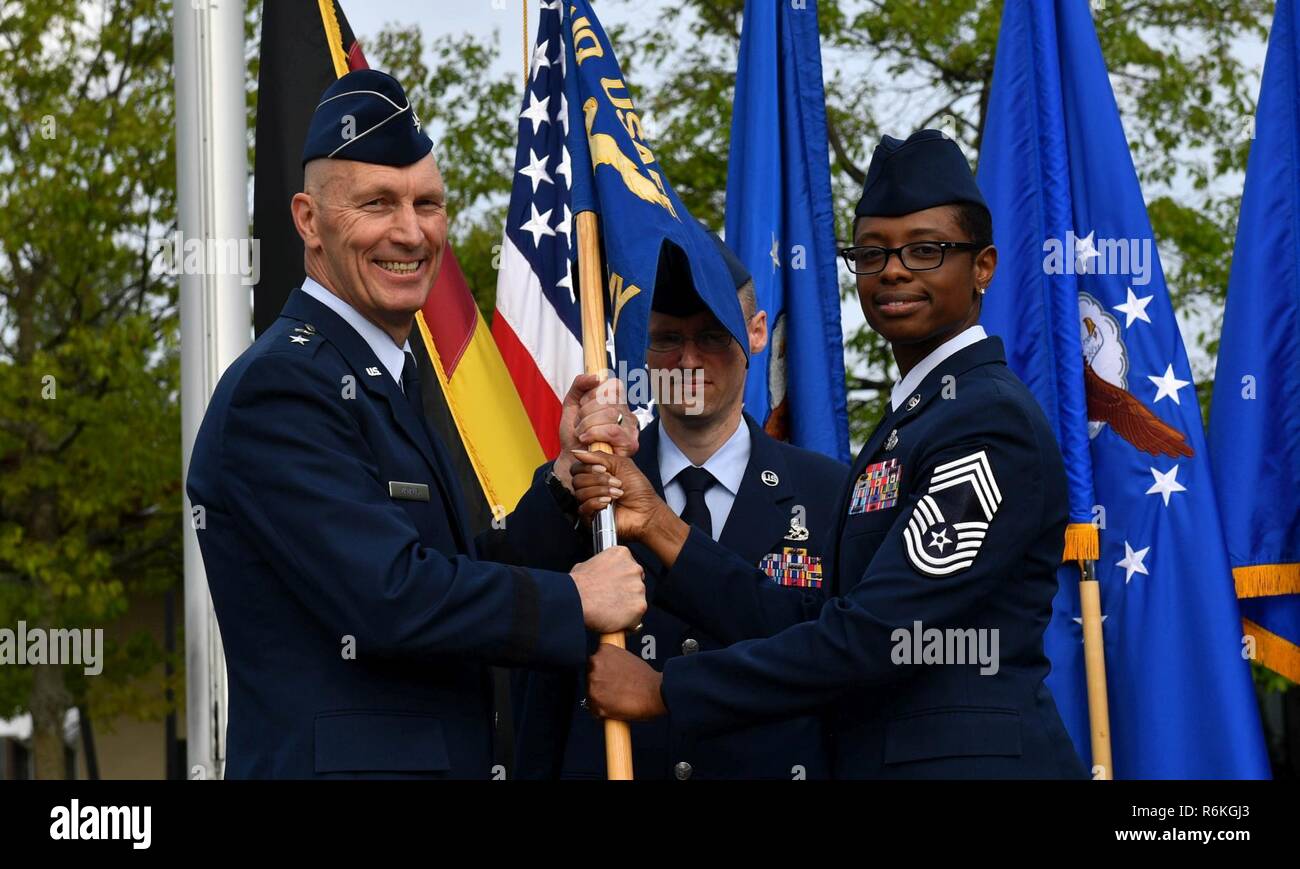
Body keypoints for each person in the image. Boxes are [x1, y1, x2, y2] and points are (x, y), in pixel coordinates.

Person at [575, 130, 1087, 779]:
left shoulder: (987, 423)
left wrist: (665, 689)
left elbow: (876, 637)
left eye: (925, 250)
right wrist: (658, 524)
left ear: (982, 265)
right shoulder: (920, 416)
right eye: (872, 253)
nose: (894, 270)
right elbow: (821, 619)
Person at [185, 69, 645, 779]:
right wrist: (577, 598)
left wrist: (561, 486)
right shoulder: (282, 388)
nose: (410, 231)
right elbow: (391, 597)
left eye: (427, 203)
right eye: (377, 203)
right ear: (308, 219)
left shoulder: (380, 375)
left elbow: (448, 574)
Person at [513, 236, 847, 780]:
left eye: (713, 336)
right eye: (667, 338)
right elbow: (507, 599)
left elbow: (834, 662)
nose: (688, 360)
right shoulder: (586, 477)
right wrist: (562, 478)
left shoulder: (828, 493)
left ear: (756, 333)